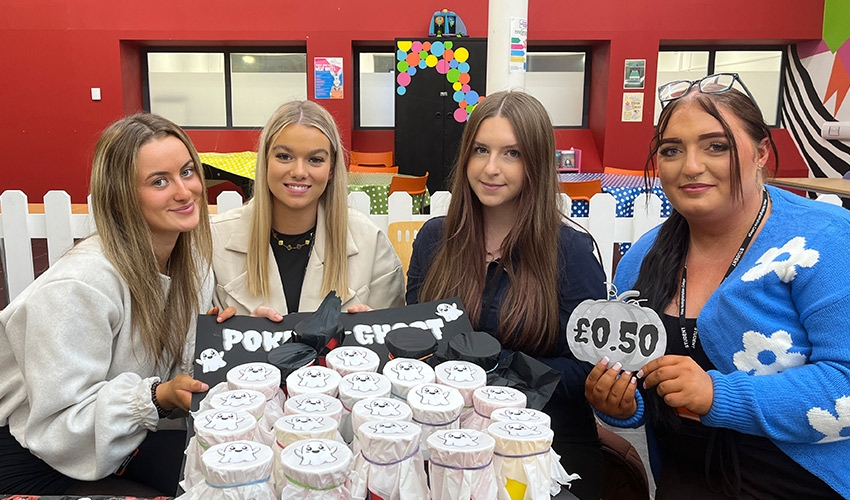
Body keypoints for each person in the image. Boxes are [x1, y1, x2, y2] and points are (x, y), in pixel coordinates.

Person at [585, 73, 850, 499]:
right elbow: (635, 386)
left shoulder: (826, 242)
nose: (691, 166)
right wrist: (619, 404)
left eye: (716, 146)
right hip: (681, 483)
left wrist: (717, 393)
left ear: (761, 151)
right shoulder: (639, 261)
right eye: (672, 150)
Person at [406, 90, 608, 500]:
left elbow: (588, 370)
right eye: (481, 150)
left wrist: (500, 370)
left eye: (512, 154)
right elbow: (415, 343)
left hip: (546, 450)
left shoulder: (569, 251)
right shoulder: (434, 240)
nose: (491, 168)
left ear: (536, 164)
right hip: (449, 444)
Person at [0, 113, 215, 496]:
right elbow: (59, 427)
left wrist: (228, 334)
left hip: (119, 440)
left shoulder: (192, 264)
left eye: (187, 171)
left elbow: (184, 368)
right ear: (119, 199)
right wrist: (157, 397)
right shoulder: (79, 285)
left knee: (222, 476)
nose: (185, 191)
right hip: (33, 453)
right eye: (159, 181)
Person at [211, 100, 404, 318]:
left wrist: (374, 332)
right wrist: (225, 334)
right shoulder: (214, 241)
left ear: (331, 169)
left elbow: (394, 341)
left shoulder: (371, 242)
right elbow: (189, 339)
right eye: (284, 156)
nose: (299, 171)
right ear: (265, 161)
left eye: (315, 159)